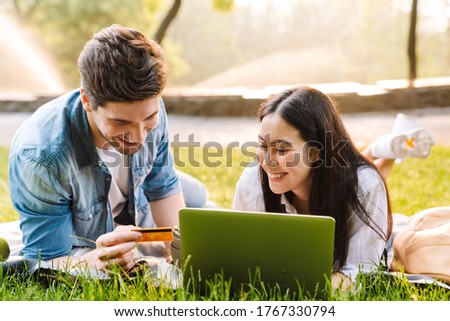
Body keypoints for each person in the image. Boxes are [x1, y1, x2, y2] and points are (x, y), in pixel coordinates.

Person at [7, 25, 208, 274]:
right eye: (121, 122)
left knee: (199, 199)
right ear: (87, 101)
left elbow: (163, 187)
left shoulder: (147, 106)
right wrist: (97, 260)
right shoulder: (40, 157)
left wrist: (179, 253)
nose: (138, 137)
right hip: (86, 229)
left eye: (149, 119)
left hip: (138, 201)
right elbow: (49, 259)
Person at [232, 85, 393, 290]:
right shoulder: (252, 182)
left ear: (316, 153)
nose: (268, 162)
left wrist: (304, 291)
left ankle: (385, 151)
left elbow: (360, 271)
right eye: (263, 146)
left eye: (282, 149)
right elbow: (237, 258)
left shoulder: (365, 186)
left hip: (379, 231)